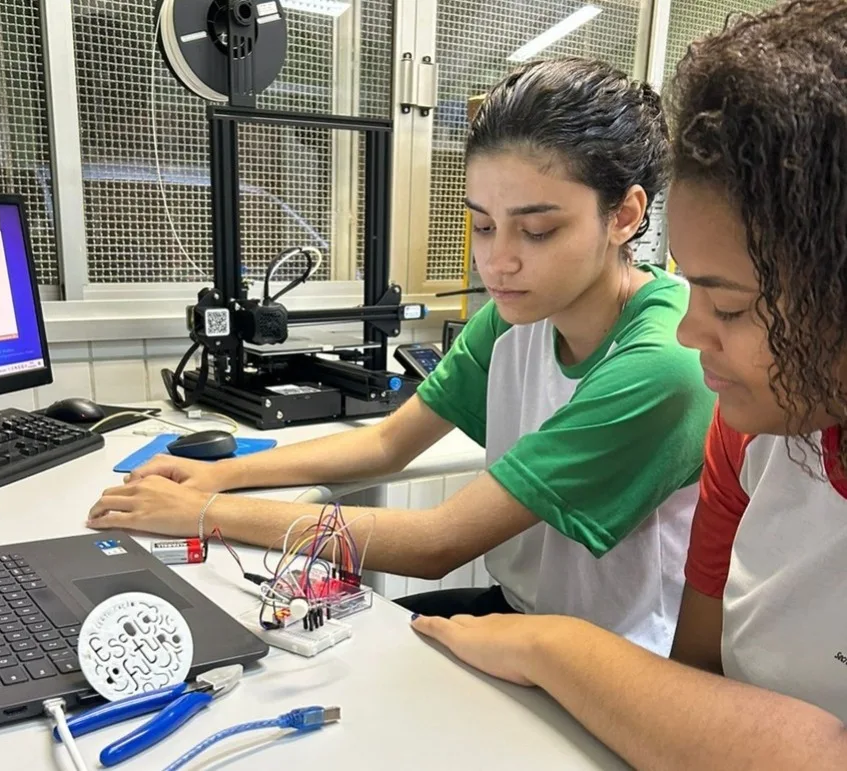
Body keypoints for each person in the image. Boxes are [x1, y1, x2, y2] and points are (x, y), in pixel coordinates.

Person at [88, 57, 715, 655]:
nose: (496, 261)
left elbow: (436, 543)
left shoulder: (664, 359)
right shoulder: (513, 315)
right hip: (521, 613)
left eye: (538, 230)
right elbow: (387, 444)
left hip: (614, 658)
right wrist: (221, 475)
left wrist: (203, 513)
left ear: (625, 216)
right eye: (483, 225)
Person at [411, 1, 847, 768]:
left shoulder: (669, 371)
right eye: (482, 225)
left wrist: (554, 644)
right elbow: (692, 683)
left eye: (730, 306)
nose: (688, 332)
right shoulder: (749, 431)